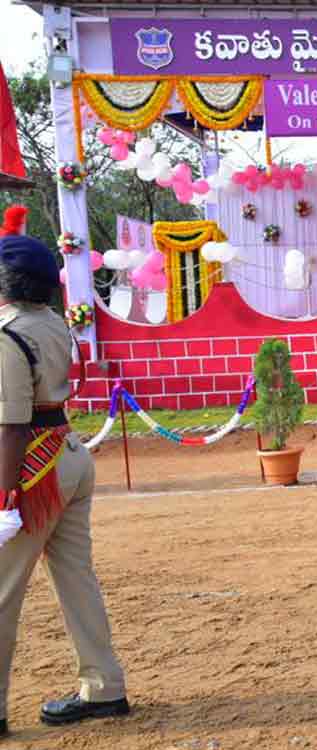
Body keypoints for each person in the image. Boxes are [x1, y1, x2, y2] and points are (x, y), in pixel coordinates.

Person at [0, 231, 129, 734]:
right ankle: (104, 687)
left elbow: (11, 424)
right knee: (78, 580)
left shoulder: (8, 334)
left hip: (31, 465)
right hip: (69, 453)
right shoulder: (53, 323)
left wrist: (5, 498)